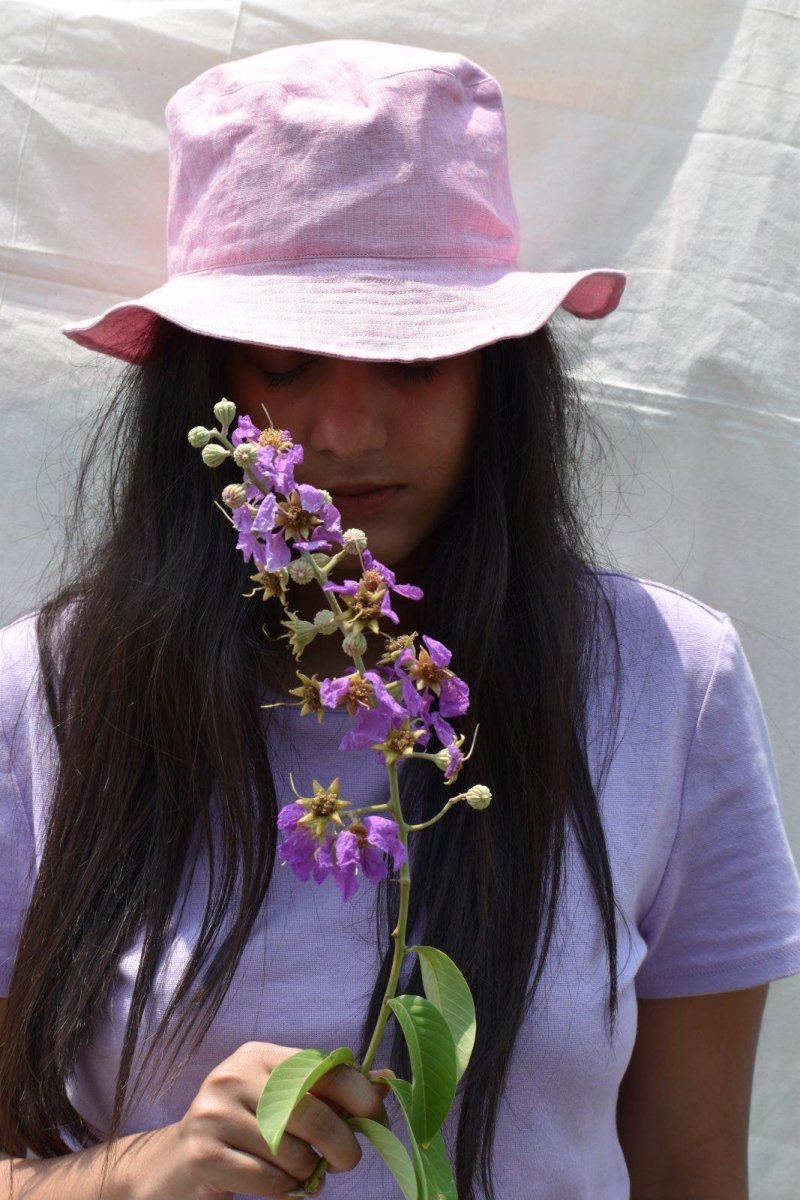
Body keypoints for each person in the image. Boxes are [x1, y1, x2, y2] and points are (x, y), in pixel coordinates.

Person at [1, 37, 799, 1200]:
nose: (348, 428)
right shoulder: (47, 696)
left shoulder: (665, 684)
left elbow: (689, 1174)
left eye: (414, 360)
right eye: (283, 363)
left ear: (497, 375)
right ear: (203, 384)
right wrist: (135, 1174)